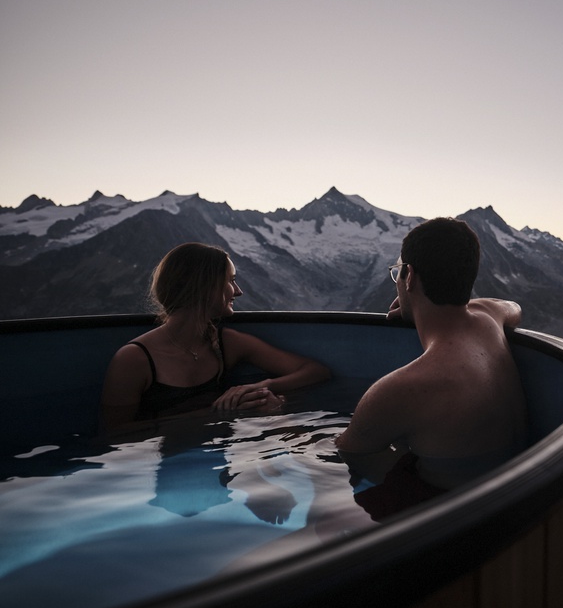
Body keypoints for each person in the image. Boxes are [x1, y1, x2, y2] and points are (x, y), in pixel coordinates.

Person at [335, 218, 527, 519]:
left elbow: (346, 454)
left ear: (409, 277)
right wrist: (420, 310)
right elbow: (513, 307)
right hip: (514, 493)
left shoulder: (400, 389)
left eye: (398, 272)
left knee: (321, 520)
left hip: (449, 518)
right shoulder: (490, 317)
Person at [100, 242, 331, 433]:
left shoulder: (226, 343)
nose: (238, 291)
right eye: (230, 280)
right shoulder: (134, 359)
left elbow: (315, 371)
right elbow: (115, 435)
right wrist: (215, 412)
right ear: (204, 286)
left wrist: (258, 388)